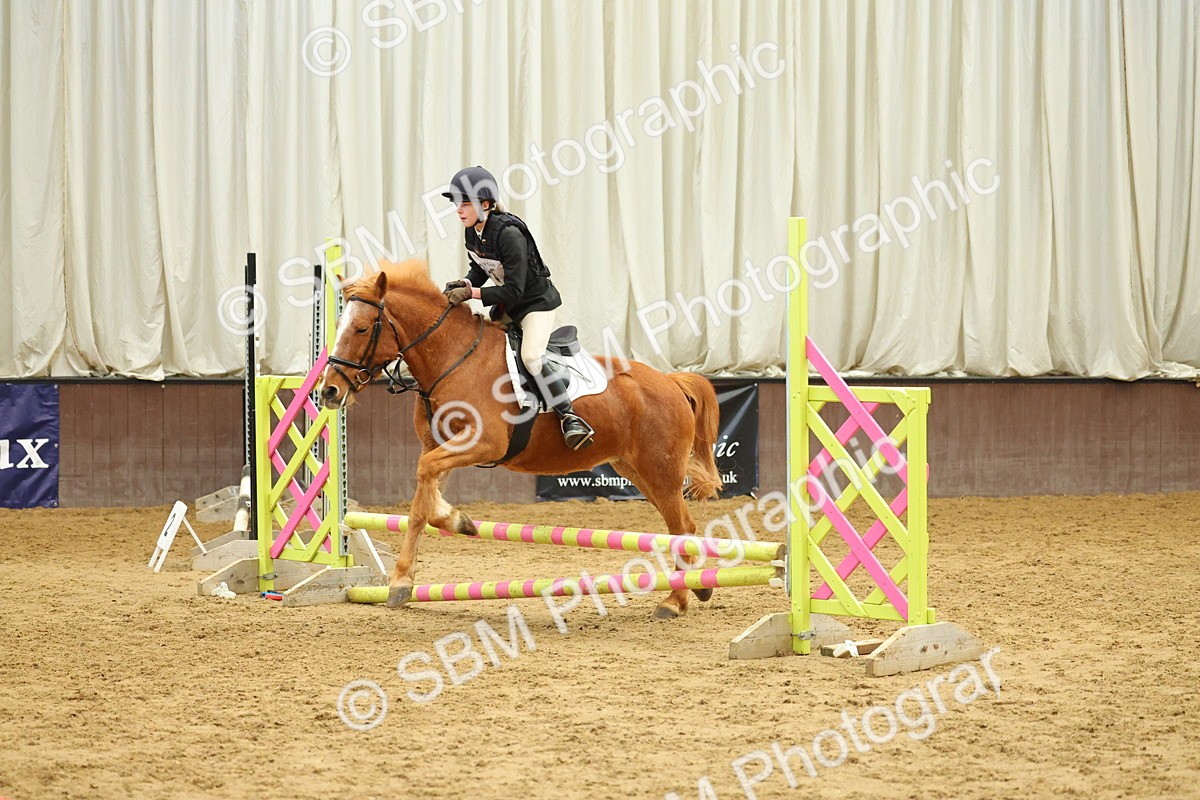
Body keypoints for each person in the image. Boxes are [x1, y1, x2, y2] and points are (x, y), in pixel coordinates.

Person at [441, 166, 594, 451]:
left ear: (484, 204)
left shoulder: (509, 233)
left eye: (465, 203)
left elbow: (514, 289)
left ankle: (569, 417)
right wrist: (464, 282)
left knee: (532, 357)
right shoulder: (473, 233)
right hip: (508, 304)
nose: (458, 210)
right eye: (456, 203)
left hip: (535, 305)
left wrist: (471, 293)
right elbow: (481, 268)